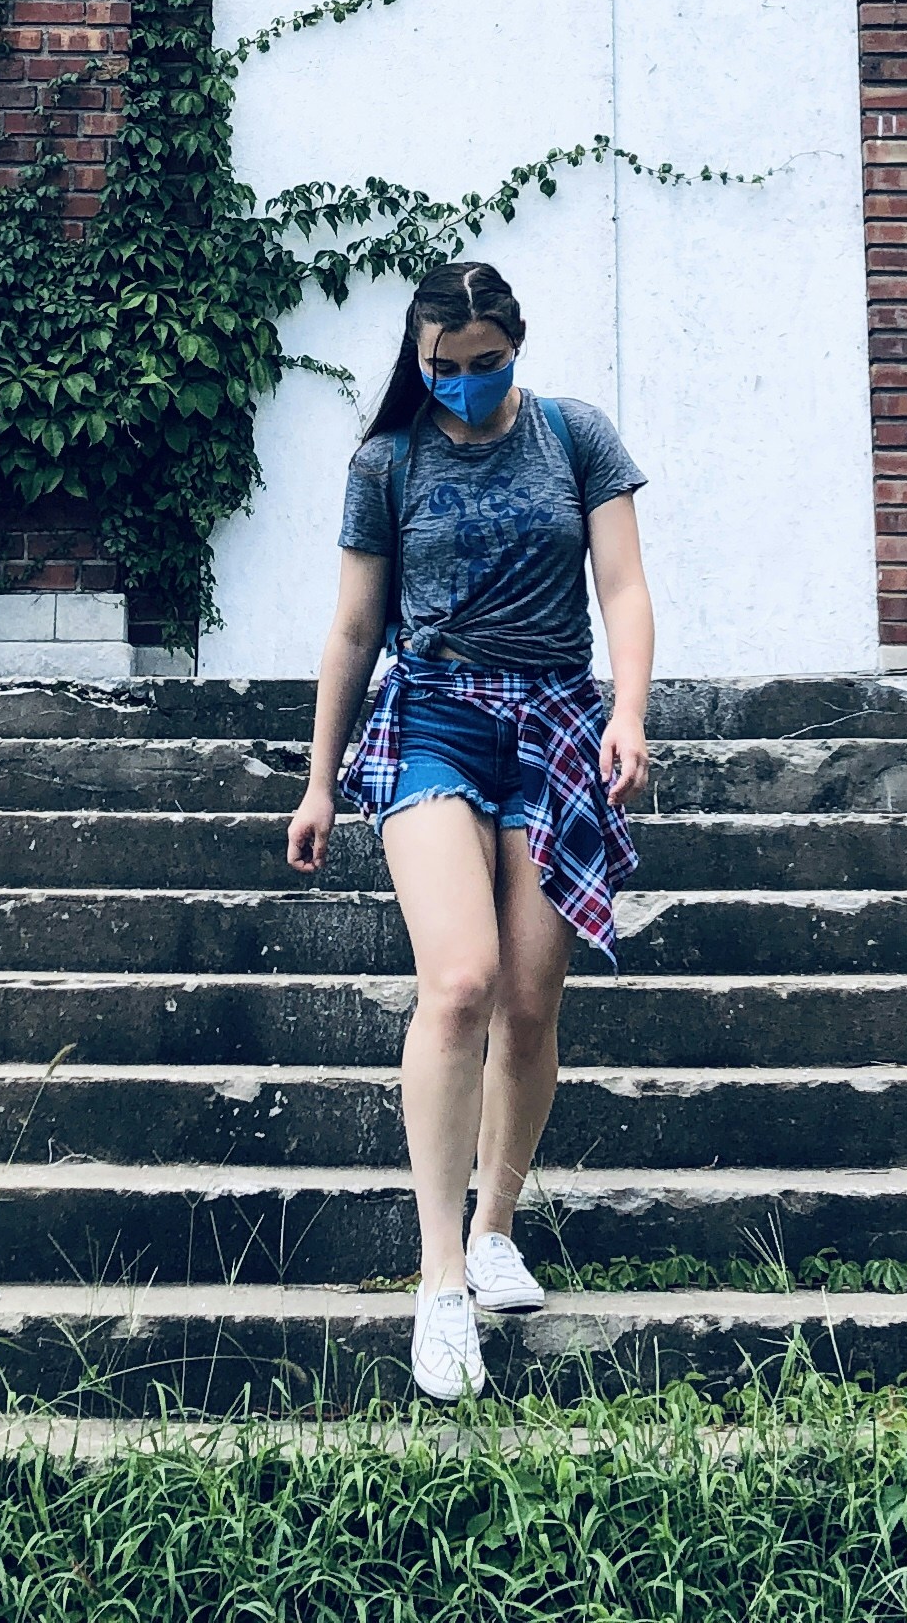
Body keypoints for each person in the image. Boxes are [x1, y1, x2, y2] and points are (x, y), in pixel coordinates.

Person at [285, 257, 656, 1404]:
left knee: (531, 1004)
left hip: (552, 720)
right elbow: (354, 630)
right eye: (438, 369)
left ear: (517, 344)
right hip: (432, 718)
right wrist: (316, 782)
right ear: (418, 361)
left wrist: (629, 714)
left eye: (482, 365)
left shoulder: (576, 438)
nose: (460, 386)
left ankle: (495, 1224)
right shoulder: (386, 461)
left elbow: (625, 592)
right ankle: (441, 1280)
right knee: (459, 982)